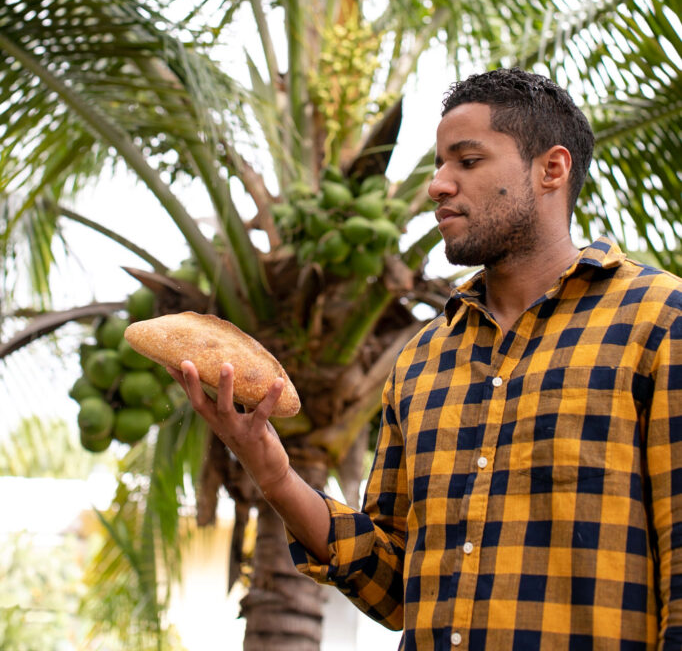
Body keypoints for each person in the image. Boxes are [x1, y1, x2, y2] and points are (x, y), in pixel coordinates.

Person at [170, 67, 682, 650]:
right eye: (439, 165)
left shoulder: (658, 323)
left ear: (552, 169)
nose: (438, 184)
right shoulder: (422, 361)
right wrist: (272, 471)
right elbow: (392, 589)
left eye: (467, 162)